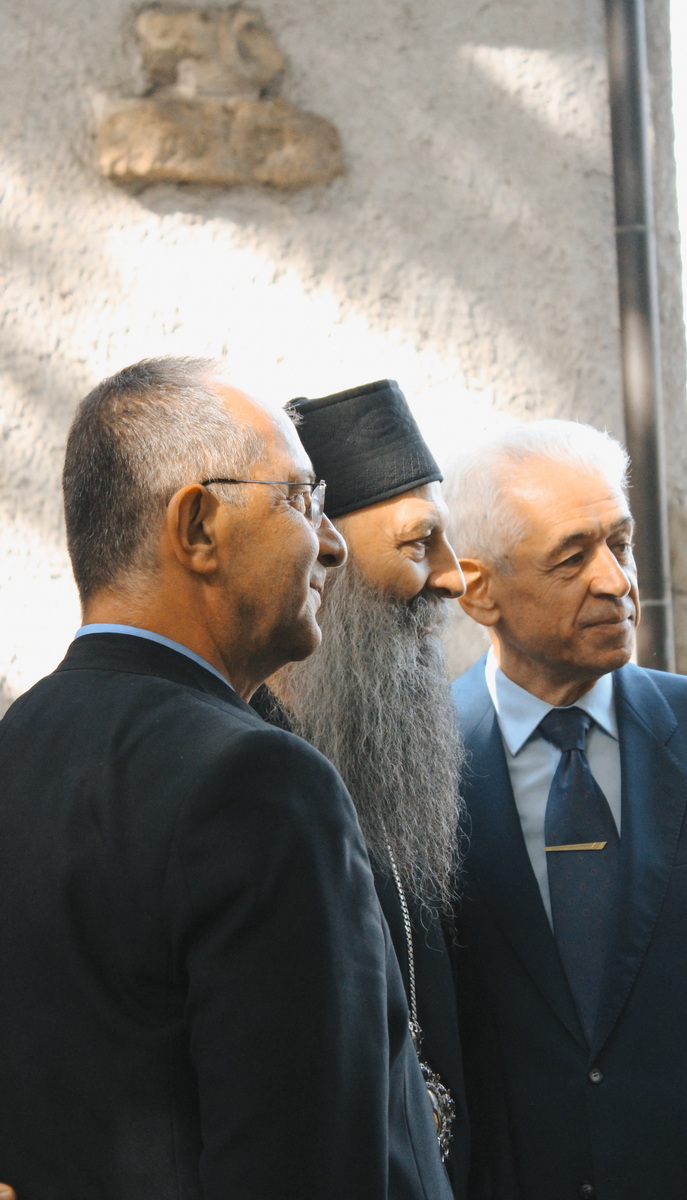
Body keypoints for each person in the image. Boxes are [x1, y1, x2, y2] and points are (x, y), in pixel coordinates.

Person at [0, 358, 453, 1200]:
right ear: (199, 526)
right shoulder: (260, 781)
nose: (331, 543)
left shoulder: (19, 742)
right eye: (301, 499)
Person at [444, 419, 687, 1200]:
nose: (615, 581)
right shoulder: (424, 763)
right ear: (479, 590)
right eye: (573, 557)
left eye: (622, 543)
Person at [253, 378, 471, 1197]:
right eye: (419, 544)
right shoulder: (249, 773)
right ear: (324, 552)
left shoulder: (397, 759)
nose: (452, 578)